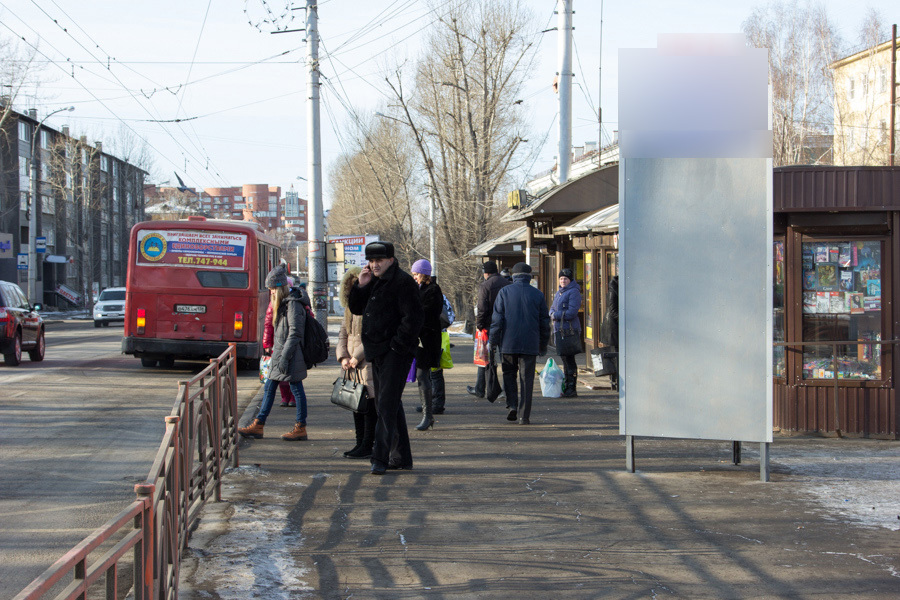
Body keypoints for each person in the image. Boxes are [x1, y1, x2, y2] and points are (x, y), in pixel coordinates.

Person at [348, 241, 424, 475]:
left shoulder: (403, 282)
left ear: (391, 260)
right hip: (377, 351)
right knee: (389, 404)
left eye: (379, 260)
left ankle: (379, 458)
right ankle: (402, 457)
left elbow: (413, 319)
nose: (374, 265)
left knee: (386, 406)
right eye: (371, 261)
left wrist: (397, 346)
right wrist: (361, 285)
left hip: (396, 353)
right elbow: (356, 309)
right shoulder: (374, 280)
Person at [239, 264, 311, 441]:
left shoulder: (293, 304)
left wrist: (284, 357)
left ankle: (300, 427)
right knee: (269, 388)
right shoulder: (284, 304)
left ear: (279, 288)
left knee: (296, 390)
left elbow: (295, 333)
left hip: (290, 356)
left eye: (272, 289)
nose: (270, 292)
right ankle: (259, 424)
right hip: (280, 355)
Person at [489, 262, 550, 425]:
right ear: (529, 277)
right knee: (527, 379)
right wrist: (543, 344)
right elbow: (544, 323)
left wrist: (493, 342)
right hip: (530, 344)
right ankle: (524, 416)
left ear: (513, 277)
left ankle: (512, 405)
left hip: (508, 343)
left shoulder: (504, 292)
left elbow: (497, 321)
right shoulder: (538, 294)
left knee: (509, 374)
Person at [336, 266, 376, 459]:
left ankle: (368, 444)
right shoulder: (348, 309)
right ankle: (360, 443)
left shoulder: (369, 305)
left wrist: (356, 357)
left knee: (368, 406)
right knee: (355, 404)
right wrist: (343, 356)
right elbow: (343, 334)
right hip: (352, 364)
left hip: (365, 363)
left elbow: (372, 335)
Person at [467, 260, 510, 404]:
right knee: (506, 357)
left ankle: (481, 388)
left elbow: (482, 308)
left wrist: (479, 325)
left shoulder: (485, 286)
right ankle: (506, 389)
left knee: (484, 357)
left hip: (489, 326)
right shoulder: (507, 284)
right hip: (506, 325)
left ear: (486, 273)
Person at [410, 259, 443, 431]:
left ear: (423, 274)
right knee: (422, 376)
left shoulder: (433, 290)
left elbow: (427, 313)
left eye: (416, 274)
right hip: (420, 340)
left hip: (428, 340)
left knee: (423, 375)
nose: (414, 277)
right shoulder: (420, 289)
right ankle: (426, 413)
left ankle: (428, 415)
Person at [262, 276, 296, 408]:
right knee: (280, 375)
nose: (271, 292)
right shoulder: (273, 304)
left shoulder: (294, 302)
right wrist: (267, 343)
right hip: (278, 344)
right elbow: (268, 324)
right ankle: (285, 397)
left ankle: (292, 397)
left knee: (292, 374)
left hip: (290, 344)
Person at [549, 268, 584, 397]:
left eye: (565, 279)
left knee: (569, 359)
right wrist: (552, 313)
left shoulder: (574, 292)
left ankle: (571, 388)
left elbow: (572, 312)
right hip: (560, 330)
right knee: (564, 359)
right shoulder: (559, 292)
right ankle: (567, 386)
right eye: (561, 278)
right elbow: (552, 308)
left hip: (569, 330)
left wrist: (555, 315)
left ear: (570, 280)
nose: (563, 281)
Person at [599, 275, 619, 390]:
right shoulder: (613, 289)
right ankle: (615, 381)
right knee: (615, 354)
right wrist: (624, 321)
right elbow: (613, 310)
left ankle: (615, 381)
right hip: (613, 327)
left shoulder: (617, 287)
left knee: (616, 354)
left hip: (615, 326)